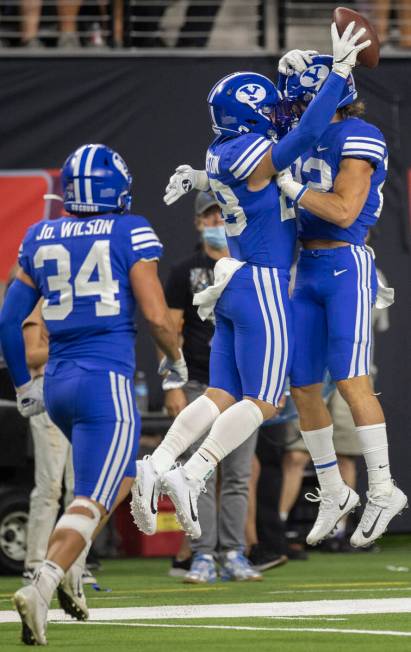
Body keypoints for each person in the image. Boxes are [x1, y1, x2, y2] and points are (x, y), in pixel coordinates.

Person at [131, 22, 371, 541]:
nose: (276, 113)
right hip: (261, 282)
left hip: (234, 281)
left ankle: (160, 460)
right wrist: (340, 73)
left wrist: (300, 67)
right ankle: (190, 476)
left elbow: (265, 154)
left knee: (222, 392)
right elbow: (305, 134)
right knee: (262, 402)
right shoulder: (255, 153)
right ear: (251, 115)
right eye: (268, 108)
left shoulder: (223, 149)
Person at [0, 143, 186, 646]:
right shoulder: (129, 229)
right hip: (106, 381)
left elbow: (6, 321)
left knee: (118, 477)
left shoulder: (40, 234)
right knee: (92, 495)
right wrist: (175, 358)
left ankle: (72, 572)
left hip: (57, 383)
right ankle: (41, 583)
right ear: (116, 189)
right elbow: (154, 315)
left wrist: (23, 387)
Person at [274, 50, 407, 548]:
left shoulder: (358, 135)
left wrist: (292, 188)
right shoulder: (305, 135)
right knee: (303, 387)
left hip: (344, 265)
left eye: (302, 99)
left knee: (352, 382)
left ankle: (383, 488)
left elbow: (346, 210)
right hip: (305, 269)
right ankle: (333, 489)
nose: (293, 110)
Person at [164, 190, 261, 582]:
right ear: (198, 222)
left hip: (241, 385)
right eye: (210, 215)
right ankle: (202, 554)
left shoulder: (250, 265)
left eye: (223, 214)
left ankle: (234, 552)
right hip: (200, 385)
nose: (217, 222)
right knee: (196, 472)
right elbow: (172, 331)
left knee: (238, 474)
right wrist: (173, 383)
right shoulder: (184, 271)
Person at [21, 300, 75, 583]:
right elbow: (30, 355)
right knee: (50, 485)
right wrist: (71, 345)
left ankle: (73, 562)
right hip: (48, 391)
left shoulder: (83, 301)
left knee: (80, 487)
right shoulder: (41, 303)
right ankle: (35, 561)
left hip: (80, 392)